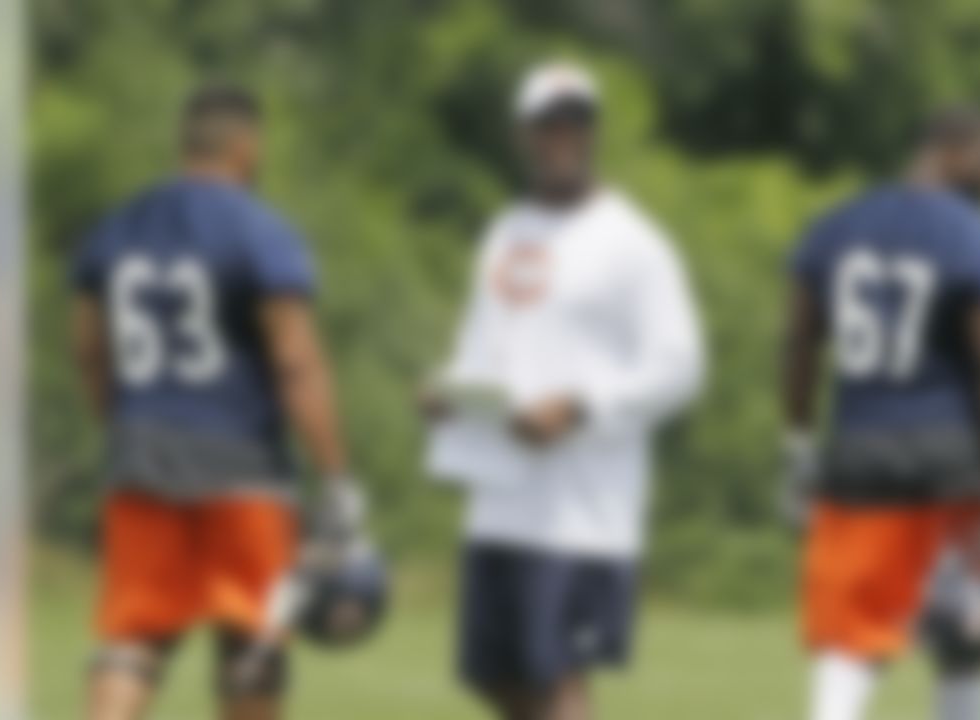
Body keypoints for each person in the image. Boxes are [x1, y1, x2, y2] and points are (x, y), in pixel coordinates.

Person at [71, 85, 366, 720]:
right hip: (244, 470)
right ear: (244, 147)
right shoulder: (261, 229)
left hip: (141, 458)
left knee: (132, 642)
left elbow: (89, 352)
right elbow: (295, 361)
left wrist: (122, 430)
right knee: (251, 650)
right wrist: (336, 474)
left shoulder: (118, 226)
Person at [425, 61, 705, 720]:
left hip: (584, 511)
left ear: (592, 132)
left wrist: (581, 405)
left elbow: (679, 366)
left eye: (576, 122)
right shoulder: (504, 231)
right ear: (524, 134)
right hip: (501, 499)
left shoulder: (631, 242)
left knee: (559, 684)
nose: (563, 137)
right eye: (549, 124)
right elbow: (482, 346)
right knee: (494, 679)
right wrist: (449, 392)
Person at [779, 107, 980, 720]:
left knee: (848, 646)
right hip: (951, 462)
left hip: (859, 457)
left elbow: (798, 340)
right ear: (948, 151)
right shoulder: (972, 235)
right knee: (966, 637)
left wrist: (798, 443)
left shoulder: (835, 225)